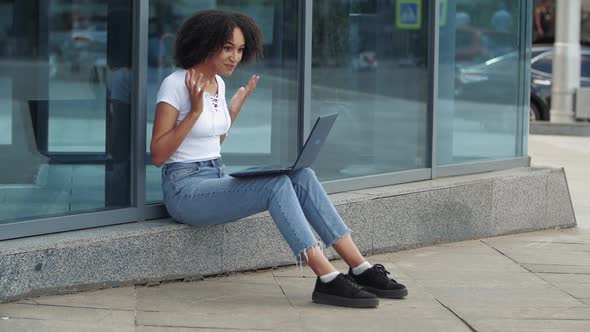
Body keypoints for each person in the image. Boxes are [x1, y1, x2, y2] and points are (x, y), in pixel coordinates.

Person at [150, 9, 407, 308]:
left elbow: (210, 142)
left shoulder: (218, 84)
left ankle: (359, 266)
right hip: (184, 190)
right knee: (275, 186)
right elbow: (158, 154)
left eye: (240, 50)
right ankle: (326, 278)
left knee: (302, 175)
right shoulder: (176, 83)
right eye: (228, 48)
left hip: (215, 175)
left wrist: (232, 112)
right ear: (206, 44)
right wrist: (194, 111)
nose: (235, 57)